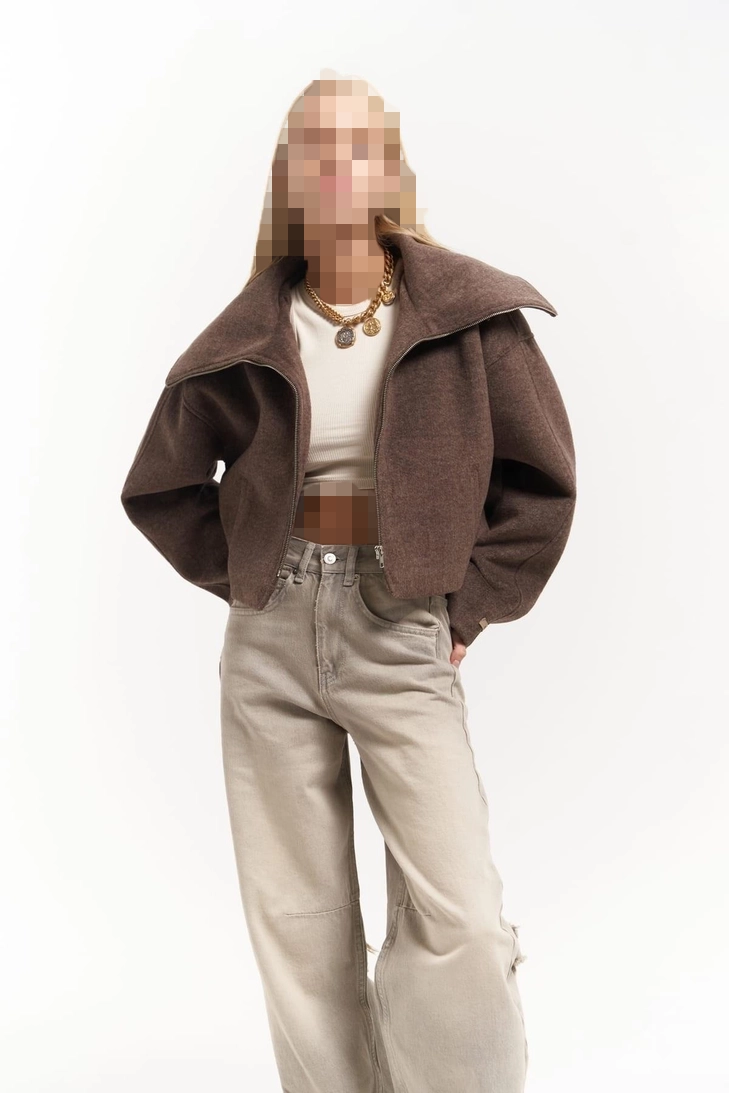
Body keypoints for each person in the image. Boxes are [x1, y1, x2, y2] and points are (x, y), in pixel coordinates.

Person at [121, 69, 577, 1093]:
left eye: (354, 149)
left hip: (403, 620)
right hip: (271, 637)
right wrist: (252, 574)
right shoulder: (248, 334)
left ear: (388, 170)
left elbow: (542, 481)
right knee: (298, 914)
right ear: (286, 177)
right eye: (310, 151)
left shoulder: (467, 317)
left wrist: (469, 604)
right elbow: (162, 487)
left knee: (460, 916)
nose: (333, 170)